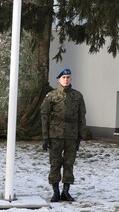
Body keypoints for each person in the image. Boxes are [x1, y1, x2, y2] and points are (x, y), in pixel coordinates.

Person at [41, 68, 87, 202]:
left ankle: (66, 191)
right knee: (55, 163)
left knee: (69, 163)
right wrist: (45, 137)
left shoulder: (78, 96)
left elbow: (82, 117)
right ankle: (55, 192)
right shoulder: (52, 96)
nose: (66, 79)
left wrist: (80, 136)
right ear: (58, 80)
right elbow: (44, 116)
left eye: (68, 77)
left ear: (71, 79)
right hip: (56, 135)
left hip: (72, 136)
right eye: (63, 77)